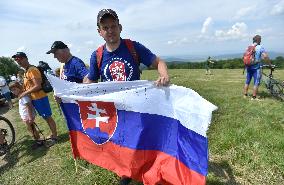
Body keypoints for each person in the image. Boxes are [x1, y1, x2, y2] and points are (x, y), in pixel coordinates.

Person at [84, 8, 170, 185]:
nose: (110, 31)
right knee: (119, 140)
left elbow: (158, 62)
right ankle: (126, 171)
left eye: (113, 26)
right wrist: (75, 92)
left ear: (120, 27)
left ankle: (148, 168)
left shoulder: (133, 47)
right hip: (113, 110)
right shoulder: (97, 55)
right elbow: (90, 79)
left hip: (136, 106)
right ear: (99, 32)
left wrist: (164, 75)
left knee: (140, 137)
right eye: (105, 27)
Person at [12, 52, 58, 144]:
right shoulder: (26, 71)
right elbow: (29, 86)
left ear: (26, 58)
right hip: (35, 98)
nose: (18, 61)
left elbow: (38, 86)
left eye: (20, 59)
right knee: (45, 117)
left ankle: (55, 137)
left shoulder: (32, 70)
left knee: (48, 117)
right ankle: (53, 135)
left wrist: (24, 93)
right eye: (16, 60)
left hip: (40, 97)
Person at [9, 81, 44, 149]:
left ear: (19, 87)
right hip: (26, 116)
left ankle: (39, 141)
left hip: (28, 116)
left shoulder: (23, 96)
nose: (13, 91)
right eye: (12, 90)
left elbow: (29, 106)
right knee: (30, 129)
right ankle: (37, 140)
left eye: (14, 89)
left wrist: (30, 117)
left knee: (32, 129)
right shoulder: (21, 95)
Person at [243, 35, 271, 100]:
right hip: (256, 68)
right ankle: (254, 97)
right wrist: (269, 64)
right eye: (260, 39)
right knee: (256, 82)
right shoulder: (260, 47)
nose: (261, 40)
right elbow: (265, 56)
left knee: (247, 81)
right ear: (258, 40)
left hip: (248, 67)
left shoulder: (249, 47)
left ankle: (245, 95)